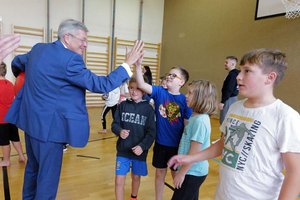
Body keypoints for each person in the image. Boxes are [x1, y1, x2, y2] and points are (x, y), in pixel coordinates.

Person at [5, 19, 144, 199]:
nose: (85, 45)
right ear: (67, 37)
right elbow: (102, 84)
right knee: (47, 178)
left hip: (31, 124)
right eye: (82, 40)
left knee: (33, 170)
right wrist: (128, 64)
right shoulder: (71, 60)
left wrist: (27, 80)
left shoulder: (39, 48)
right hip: (50, 131)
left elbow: (17, 62)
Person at [168, 48, 300, 200]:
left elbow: (295, 172)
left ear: (269, 78)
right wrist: (191, 158)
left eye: (247, 71)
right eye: (240, 71)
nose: (238, 76)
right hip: (225, 194)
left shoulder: (286, 117)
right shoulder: (236, 107)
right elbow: (224, 144)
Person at [136, 60, 192, 200]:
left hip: (177, 146)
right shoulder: (160, 92)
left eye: (174, 76)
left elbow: (187, 126)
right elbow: (141, 85)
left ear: (181, 82)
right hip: (161, 144)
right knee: (160, 173)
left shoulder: (185, 101)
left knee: (175, 175)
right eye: (169, 74)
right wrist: (137, 66)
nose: (169, 77)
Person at [171, 80, 217, 200]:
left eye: (190, 93)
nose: (186, 96)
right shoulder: (195, 116)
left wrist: (182, 173)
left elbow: (194, 153)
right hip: (191, 170)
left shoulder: (200, 121)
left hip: (193, 172)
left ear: (200, 98)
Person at [111, 76, 156, 200]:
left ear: (144, 91)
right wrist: (119, 131)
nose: (133, 91)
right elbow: (114, 124)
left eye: (137, 88)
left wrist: (142, 146)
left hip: (139, 152)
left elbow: (152, 132)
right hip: (123, 150)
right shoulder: (122, 105)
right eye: (131, 88)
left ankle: (133, 197)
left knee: (136, 177)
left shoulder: (148, 109)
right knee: (119, 180)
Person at [0, 62, 26, 166]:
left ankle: (6, 160)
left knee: (4, 141)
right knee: (15, 137)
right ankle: (21, 156)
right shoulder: (10, 84)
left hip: (2, 119)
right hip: (12, 117)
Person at [219, 56, 240, 124]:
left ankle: (224, 134)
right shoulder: (235, 74)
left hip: (229, 99)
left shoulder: (232, 75)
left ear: (233, 64)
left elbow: (229, 89)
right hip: (232, 98)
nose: (225, 64)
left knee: (225, 119)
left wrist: (222, 101)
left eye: (226, 62)